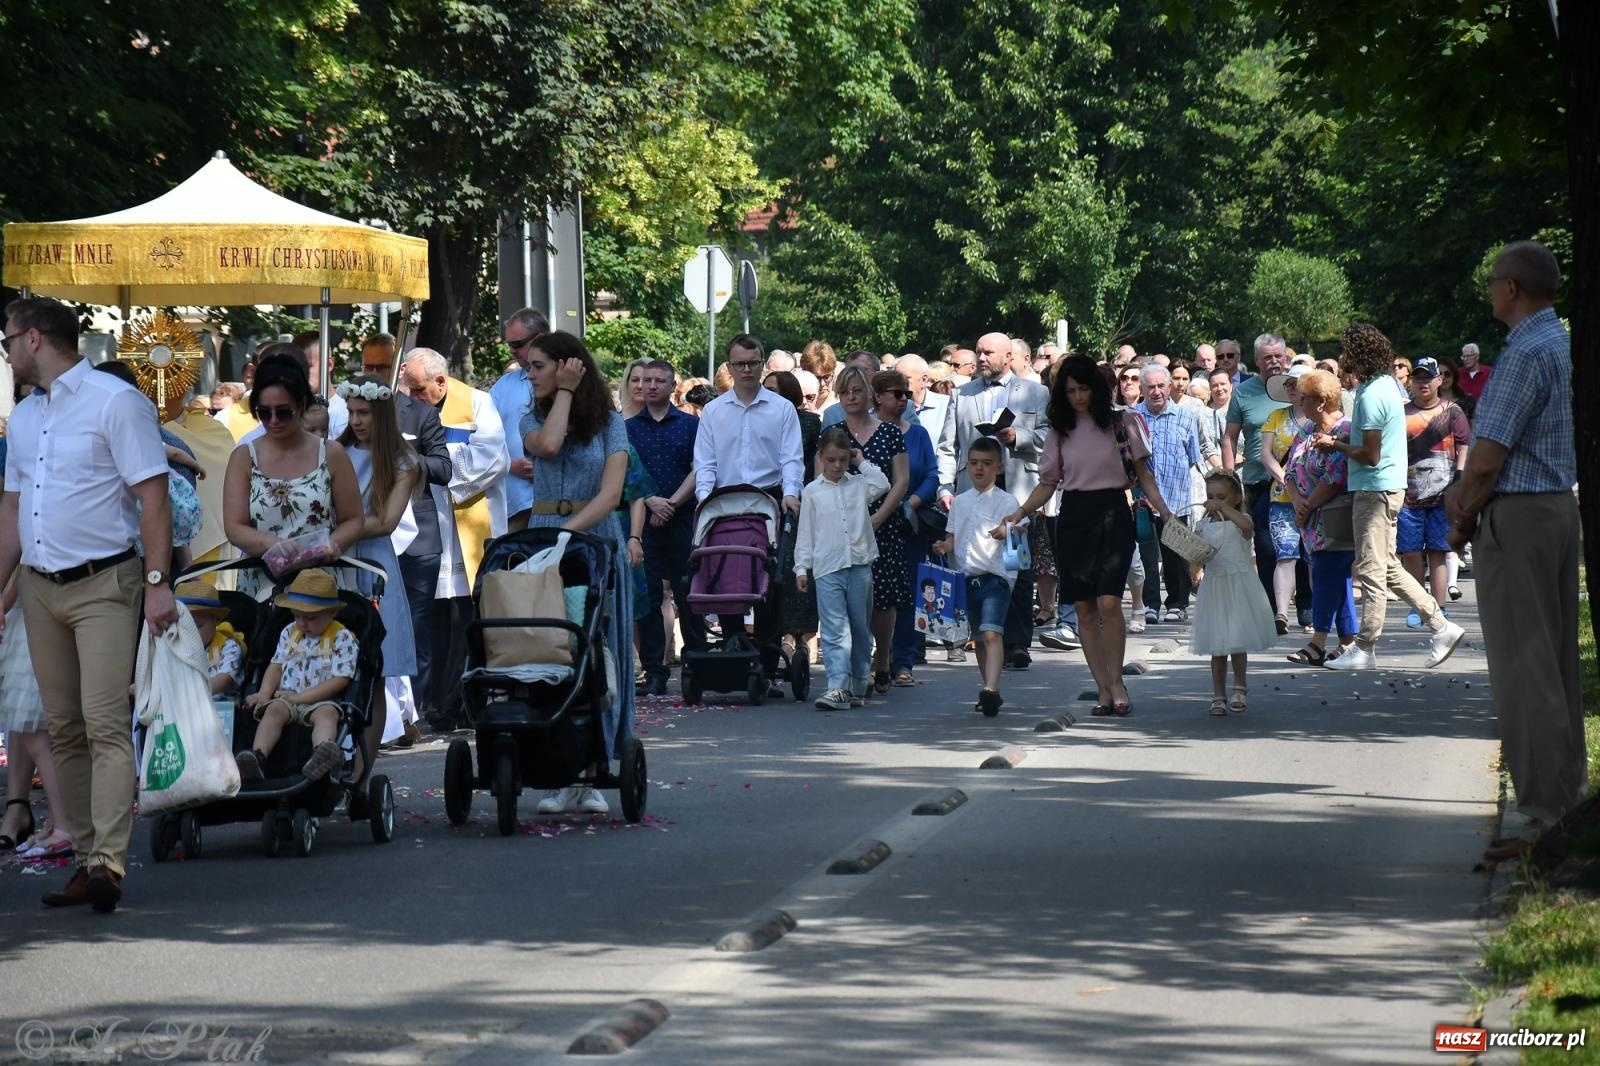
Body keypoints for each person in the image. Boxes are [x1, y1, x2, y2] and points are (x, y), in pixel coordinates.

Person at [1, 298, 180, 911]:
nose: (6, 352)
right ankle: (85, 860)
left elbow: (153, 498)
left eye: (8, 339)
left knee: (103, 722)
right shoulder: (26, 415)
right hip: (39, 585)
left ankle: (107, 861)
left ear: (33, 339)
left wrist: (157, 582)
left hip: (106, 580)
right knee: (63, 727)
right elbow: (12, 509)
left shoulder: (115, 401)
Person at [1447, 240, 1583, 854]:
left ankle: (1546, 816)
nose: (1490, 292)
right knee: (1554, 663)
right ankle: (1565, 803)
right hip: (1554, 509)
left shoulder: (1525, 352)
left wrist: (1461, 516)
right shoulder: (1560, 341)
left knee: (1525, 669)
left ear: (1511, 288)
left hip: (1519, 516)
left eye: (1493, 282)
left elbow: (1486, 459)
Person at [1003, 356, 1173, 718]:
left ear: (1096, 388)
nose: (1078, 397)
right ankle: (1103, 687)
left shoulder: (1122, 422)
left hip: (1114, 512)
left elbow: (1143, 475)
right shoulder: (1059, 431)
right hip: (1074, 516)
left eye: (1083, 389)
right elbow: (1048, 483)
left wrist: (1166, 511)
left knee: (1110, 602)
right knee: (1084, 607)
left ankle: (1117, 682)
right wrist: (1020, 512)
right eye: (1070, 391)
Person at [520, 330, 634, 816]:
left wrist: (567, 533)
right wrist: (563, 392)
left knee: (595, 653)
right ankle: (557, 769)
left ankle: (591, 771)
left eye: (539, 366)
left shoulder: (611, 423)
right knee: (550, 648)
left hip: (594, 540)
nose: (530, 375)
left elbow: (611, 495)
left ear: (569, 365)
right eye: (529, 367)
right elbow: (547, 446)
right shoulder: (531, 417)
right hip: (545, 536)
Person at [1315, 323, 1465, 671]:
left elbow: (1370, 455)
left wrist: (1334, 445)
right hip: (1387, 487)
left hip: (1374, 488)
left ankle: (1365, 647)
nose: (1343, 357)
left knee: (1370, 568)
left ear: (1359, 354)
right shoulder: (1386, 385)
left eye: (1346, 350)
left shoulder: (1371, 395)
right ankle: (1441, 626)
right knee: (1387, 566)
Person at [399, 349, 508, 730]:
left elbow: (493, 459)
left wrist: (438, 468)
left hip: (466, 524)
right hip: (425, 525)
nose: (412, 397)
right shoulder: (406, 411)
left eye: (418, 389)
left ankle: (461, 701)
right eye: (409, 389)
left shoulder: (477, 404)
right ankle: (432, 703)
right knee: (431, 620)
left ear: (441, 382)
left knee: (466, 617)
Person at [694, 334, 804, 690]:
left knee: (770, 580)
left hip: (768, 499)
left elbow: (791, 458)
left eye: (753, 363)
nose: (746, 370)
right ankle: (732, 648)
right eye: (739, 364)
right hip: (723, 502)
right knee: (724, 574)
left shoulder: (782, 409)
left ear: (761, 364)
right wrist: (704, 499)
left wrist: (791, 494)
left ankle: (767, 663)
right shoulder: (714, 411)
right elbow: (705, 462)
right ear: (729, 366)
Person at [936, 332, 1050, 670]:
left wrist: (1018, 436)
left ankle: (1017, 643)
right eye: (979, 352)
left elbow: (1049, 437)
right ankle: (984, 631)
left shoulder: (1035, 392)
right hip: (972, 492)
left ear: (1008, 356)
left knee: (1016, 566)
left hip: (1016, 492)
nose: (982, 358)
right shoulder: (962, 394)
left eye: (988, 352)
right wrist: (945, 488)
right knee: (976, 563)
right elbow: (948, 446)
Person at [223, 354, 366, 602]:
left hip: (319, 584)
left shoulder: (331, 453)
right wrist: (275, 546)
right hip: (262, 584)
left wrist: (332, 544)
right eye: (264, 413)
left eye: (283, 412)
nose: (273, 421)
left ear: (301, 404)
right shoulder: (244, 457)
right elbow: (234, 528)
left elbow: (353, 519)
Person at [336, 376, 421, 753]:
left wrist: (337, 532)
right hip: (335, 559)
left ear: (382, 414)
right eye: (351, 412)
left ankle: (365, 760)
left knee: (375, 667)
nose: (356, 421)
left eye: (364, 413)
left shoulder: (403, 460)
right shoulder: (335, 451)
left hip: (371, 560)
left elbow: (386, 521)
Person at [628, 360, 707, 696]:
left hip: (682, 516)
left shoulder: (690, 425)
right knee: (647, 595)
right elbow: (625, 473)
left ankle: (697, 663)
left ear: (673, 386)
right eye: (646, 380)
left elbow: (700, 468)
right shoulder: (628, 428)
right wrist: (651, 501)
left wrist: (671, 503)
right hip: (643, 519)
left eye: (659, 381)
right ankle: (654, 670)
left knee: (688, 591)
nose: (651, 386)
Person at [794, 427, 889, 710]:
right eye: (831, 460)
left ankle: (858, 682)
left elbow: (882, 483)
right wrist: (802, 568)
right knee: (834, 629)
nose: (837, 465)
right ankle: (837, 685)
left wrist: (861, 461)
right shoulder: (812, 492)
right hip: (828, 566)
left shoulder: (858, 485)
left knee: (859, 627)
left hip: (859, 564)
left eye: (843, 460)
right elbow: (806, 532)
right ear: (821, 457)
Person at [235, 568, 357, 783]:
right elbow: (276, 666)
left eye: (311, 618)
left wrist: (300, 698)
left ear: (332, 613)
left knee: (327, 714)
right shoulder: (290, 632)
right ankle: (258, 756)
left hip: (321, 700)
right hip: (286, 697)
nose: (302, 623)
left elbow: (341, 679)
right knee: (273, 710)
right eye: (297, 616)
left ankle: (323, 754)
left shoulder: (342, 637)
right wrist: (264, 693)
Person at [834, 366, 909, 693]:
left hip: (884, 523)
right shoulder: (834, 432)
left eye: (856, 391)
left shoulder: (889, 432)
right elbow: (822, 478)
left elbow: (901, 480)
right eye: (844, 392)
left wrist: (878, 517)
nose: (851, 397)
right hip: (845, 526)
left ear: (870, 395)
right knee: (852, 597)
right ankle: (859, 663)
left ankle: (883, 658)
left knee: (883, 597)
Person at [931, 437, 1017, 717]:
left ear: (999, 468)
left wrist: (1009, 529)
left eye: (987, 464)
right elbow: (953, 536)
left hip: (996, 577)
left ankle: (990, 688)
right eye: (974, 463)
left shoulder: (1007, 501)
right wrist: (945, 546)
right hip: (967, 578)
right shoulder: (960, 501)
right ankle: (989, 688)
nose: (979, 469)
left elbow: (1021, 530)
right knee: (979, 638)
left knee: (992, 632)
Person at [1282, 370, 1357, 666]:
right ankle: (1349, 642)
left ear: (1322, 401)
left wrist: (1308, 506)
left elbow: (1336, 475)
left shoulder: (1344, 430)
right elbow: (1289, 468)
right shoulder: (1307, 429)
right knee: (1337, 580)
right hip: (1309, 518)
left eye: (1305, 397)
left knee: (1327, 576)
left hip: (1333, 516)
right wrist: (1297, 501)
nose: (1300, 402)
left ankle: (1317, 643)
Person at [1189, 471, 1278, 715]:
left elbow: (1248, 527)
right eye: (1210, 497)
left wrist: (1224, 509)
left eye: (1221, 497)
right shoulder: (1203, 525)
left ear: (1237, 498)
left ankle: (1240, 687)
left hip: (1238, 585)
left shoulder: (1241, 520)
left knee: (1238, 641)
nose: (1214, 502)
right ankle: (1218, 695)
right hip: (1215, 586)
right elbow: (1196, 553)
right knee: (1217, 645)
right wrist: (1194, 568)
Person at [1397, 357, 1470, 628]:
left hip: (1443, 495)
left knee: (1438, 552)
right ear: (1411, 382)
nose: (1423, 383)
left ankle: (1439, 608)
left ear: (1439, 381)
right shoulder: (1402, 412)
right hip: (1408, 495)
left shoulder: (1452, 411)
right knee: (1411, 552)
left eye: (1428, 377)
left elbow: (1464, 443)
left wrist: (1460, 475)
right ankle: (1420, 606)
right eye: (1418, 378)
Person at [876, 370, 938, 687]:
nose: (904, 399)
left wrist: (911, 502)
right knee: (876, 593)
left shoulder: (918, 434)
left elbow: (932, 474)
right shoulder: (868, 432)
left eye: (907, 394)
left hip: (910, 524)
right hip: (874, 523)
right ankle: (876, 658)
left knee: (910, 593)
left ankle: (904, 662)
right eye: (897, 393)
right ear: (878, 397)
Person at [1132, 364, 1205, 624]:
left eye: (1161, 386)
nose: (1156, 391)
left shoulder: (1186, 416)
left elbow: (1193, 457)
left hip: (1176, 497)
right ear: (1142, 389)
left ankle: (1177, 603)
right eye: (1150, 386)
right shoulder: (1133, 417)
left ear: (1169, 387)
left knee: (1176, 554)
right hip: (1142, 499)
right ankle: (1150, 604)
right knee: (1147, 554)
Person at [1221, 334, 1290, 602]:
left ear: (1285, 358)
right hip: (1257, 481)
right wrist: (1229, 479)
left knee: (1298, 543)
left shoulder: (1295, 387)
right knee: (1265, 546)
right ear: (1257, 360)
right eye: (1267, 357)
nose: (1273, 361)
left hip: (1295, 479)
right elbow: (1229, 437)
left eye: (1278, 356)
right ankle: (1271, 607)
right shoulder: (1243, 392)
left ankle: (1305, 604)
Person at [1257, 365, 1310, 632]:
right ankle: (1281, 613)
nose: (1290, 388)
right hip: (1281, 497)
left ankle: (1316, 610)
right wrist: (1285, 480)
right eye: (1287, 384)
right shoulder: (1275, 417)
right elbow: (1266, 455)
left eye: (1295, 384)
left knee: (1314, 556)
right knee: (1285, 555)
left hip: (1316, 498)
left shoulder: (1322, 419)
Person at [488, 309, 549, 533]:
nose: (512, 351)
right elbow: (481, 438)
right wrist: (508, 464)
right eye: (509, 345)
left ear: (539, 339)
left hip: (563, 506)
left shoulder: (570, 383)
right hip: (517, 506)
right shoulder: (503, 387)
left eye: (517, 344)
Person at [174, 580, 246, 696]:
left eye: (198, 626)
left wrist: (188, 694)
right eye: (182, 627)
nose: (190, 633)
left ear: (216, 620)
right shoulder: (175, 646)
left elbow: (224, 680)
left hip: (216, 704)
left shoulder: (228, 647)